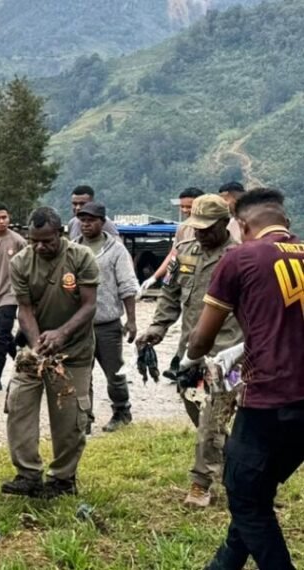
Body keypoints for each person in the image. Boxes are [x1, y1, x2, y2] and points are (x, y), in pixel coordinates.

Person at [184, 189, 303, 569]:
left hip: (269, 400)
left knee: (245, 497)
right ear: (285, 222)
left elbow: (202, 338)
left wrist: (191, 358)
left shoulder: (241, 257)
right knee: (256, 492)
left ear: (243, 225)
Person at [136, 194, 241, 508]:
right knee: (202, 417)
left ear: (225, 223)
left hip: (228, 356)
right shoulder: (183, 253)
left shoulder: (240, 257)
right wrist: (157, 326)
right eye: (196, 226)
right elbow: (169, 293)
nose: (200, 233)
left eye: (207, 228)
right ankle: (241, 471)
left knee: (212, 419)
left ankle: (200, 483)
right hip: (190, 353)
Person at [3, 207, 99, 499]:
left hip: (74, 350)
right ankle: (28, 474)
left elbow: (89, 305)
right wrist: (37, 346)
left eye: (47, 241)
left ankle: (62, 479)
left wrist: (62, 334)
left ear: (61, 234)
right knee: (18, 406)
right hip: (36, 349)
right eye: (34, 241)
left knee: (69, 419)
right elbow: (25, 309)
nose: (40, 247)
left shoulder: (81, 257)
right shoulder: (20, 262)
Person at [75, 202, 137, 432]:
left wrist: (131, 320)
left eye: (90, 220)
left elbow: (127, 285)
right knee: (82, 374)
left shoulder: (116, 249)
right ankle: (84, 419)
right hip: (79, 326)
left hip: (107, 323)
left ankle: (122, 412)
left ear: (102, 222)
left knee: (115, 373)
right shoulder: (73, 248)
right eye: (82, 220)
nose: (86, 224)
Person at [0, 203, 27, 392]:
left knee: (1, 335)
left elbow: (28, 266)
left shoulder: (18, 241)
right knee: (2, 333)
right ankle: (23, 360)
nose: (2, 221)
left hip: (11, 295)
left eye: (4, 217)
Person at [138, 187, 203, 297]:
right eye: (182, 207)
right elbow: (173, 255)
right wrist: (155, 277)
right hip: (187, 280)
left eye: (189, 207)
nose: (184, 210)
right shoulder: (182, 228)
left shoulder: (216, 228)